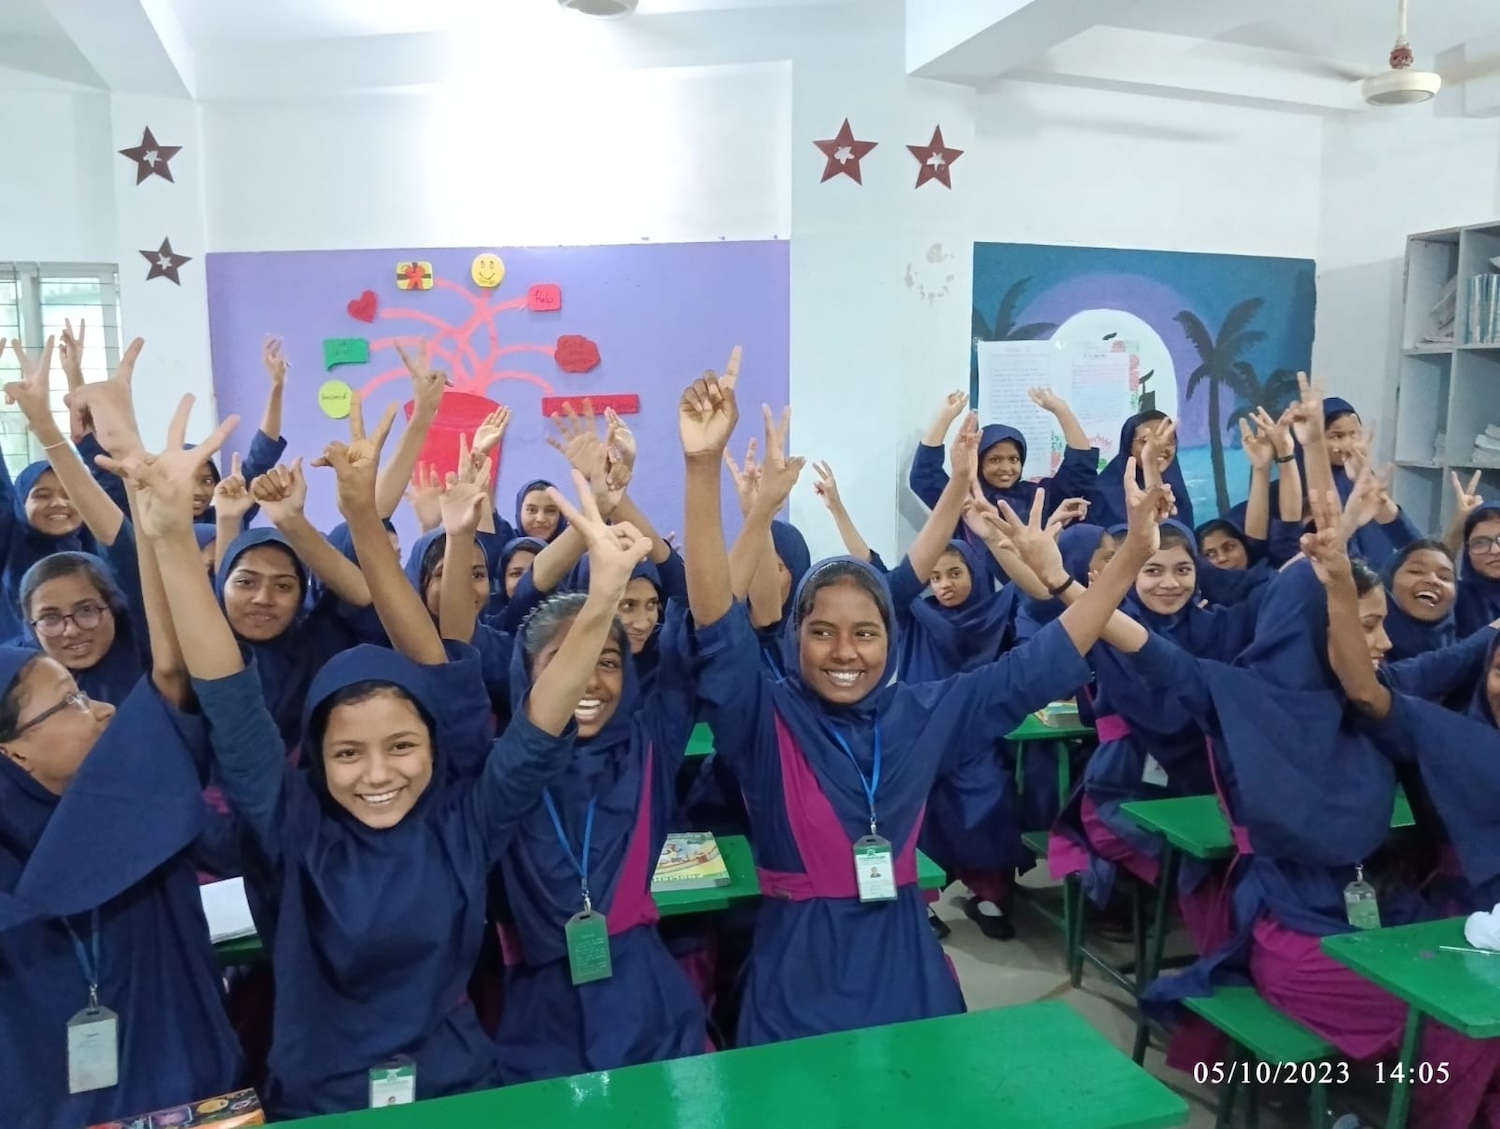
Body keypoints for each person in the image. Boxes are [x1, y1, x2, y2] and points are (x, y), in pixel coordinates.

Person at [126, 391, 640, 1117]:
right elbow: (230, 698)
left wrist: (603, 600)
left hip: (457, 1088)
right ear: (317, 757)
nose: (376, 774)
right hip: (324, 1096)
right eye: (347, 753)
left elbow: (537, 725)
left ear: (432, 744)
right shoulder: (291, 823)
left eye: (401, 746)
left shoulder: (467, 819)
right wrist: (177, 540)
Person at [678, 348, 1172, 1044]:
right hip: (799, 971)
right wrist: (703, 470)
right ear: (795, 638)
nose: (844, 651)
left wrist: (1127, 560)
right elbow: (712, 618)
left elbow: (1042, 660)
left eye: (864, 632)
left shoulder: (922, 711)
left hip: (907, 962)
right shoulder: (765, 716)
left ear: (891, 638)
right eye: (821, 631)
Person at [0, 394, 244, 1129]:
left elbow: (170, 673)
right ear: (11, 751)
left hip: (197, 1093)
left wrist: (160, 522)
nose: (103, 708)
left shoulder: (125, 783)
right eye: (70, 702)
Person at [1088, 410, 1193, 530]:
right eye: (1146, 441)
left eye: (1169, 441)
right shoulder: (1104, 495)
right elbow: (1163, 538)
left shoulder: (1176, 489)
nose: (1158, 447)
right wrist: (1150, 462)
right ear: (1128, 445)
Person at [1383, 539, 1458, 662]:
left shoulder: (1476, 663)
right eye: (1416, 571)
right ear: (1388, 583)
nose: (1433, 580)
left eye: (1444, 577)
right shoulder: (1359, 650)